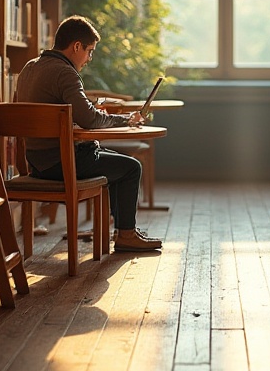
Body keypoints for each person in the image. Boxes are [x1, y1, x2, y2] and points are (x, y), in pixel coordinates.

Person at [13, 15, 162, 252]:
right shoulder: (65, 72)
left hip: (37, 165)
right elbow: (90, 118)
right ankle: (126, 234)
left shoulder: (28, 69)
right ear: (76, 46)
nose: (89, 59)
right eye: (89, 51)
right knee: (131, 167)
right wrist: (125, 119)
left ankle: (121, 230)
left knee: (112, 159)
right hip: (62, 164)